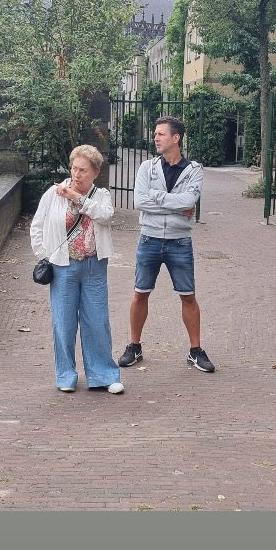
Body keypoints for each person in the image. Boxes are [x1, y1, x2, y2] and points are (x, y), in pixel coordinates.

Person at [117, 115, 215, 373]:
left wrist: (157, 197)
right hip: (148, 239)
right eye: (155, 134)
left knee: (188, 296)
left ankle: (195, 351)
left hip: (179, 242)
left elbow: (189, 201)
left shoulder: (194, 169)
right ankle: (134, 346)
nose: (155, 138)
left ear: (176, 138)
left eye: (161, 134)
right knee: (140, 293)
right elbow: (139, 202)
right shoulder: (146, 168)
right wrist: (177, 205)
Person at [30, 144, 124, 394]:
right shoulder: (53, 194)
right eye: (74, 168)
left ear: (96, 172)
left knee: (97, 322)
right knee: (63, 323)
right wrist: (44, 256)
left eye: (83, 170)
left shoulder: (101, 195)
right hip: (63, 266)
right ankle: (66, 375)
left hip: (94, 265)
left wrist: (76, 198)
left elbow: (105, 216)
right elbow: (37, 226)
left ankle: (103, 375)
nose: (77, 174)